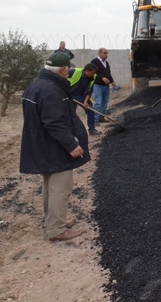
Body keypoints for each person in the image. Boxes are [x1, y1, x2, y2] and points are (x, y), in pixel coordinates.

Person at [20, 52, 90, 241]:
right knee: (60, 187)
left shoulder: (36, 85)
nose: (69, 72)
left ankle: (53, 221)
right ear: (63, 69)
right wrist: (71, 145)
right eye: (68, 69)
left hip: (42, 144)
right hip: (54, 146)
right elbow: (54, 123)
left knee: (50, 185)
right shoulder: (51, 90)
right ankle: (57, 230)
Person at [68, 63, 99, 135]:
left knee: (90, 110)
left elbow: (90, 90)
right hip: (70, 95)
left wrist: (85, 101)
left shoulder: (93, 76)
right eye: (93, 72)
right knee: (71, 114)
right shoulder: (73, 72)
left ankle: (92, 129)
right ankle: (71, 132)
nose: (94, 74)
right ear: (87, 71)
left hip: (82, 96)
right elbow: (61, 78)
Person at [90, 48, 118, 122]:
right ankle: (95, 119)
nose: (106, 55)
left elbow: (108, 74)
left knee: (105, 103)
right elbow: (93, 73)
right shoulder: (94, 61)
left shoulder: (106, 63)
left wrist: (112, 82)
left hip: (106, 86)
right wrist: (102, 78)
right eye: (104, 53)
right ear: (100, 53)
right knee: (98, 103)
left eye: (107, 53)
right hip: (98, 86)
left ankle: (101, 117)